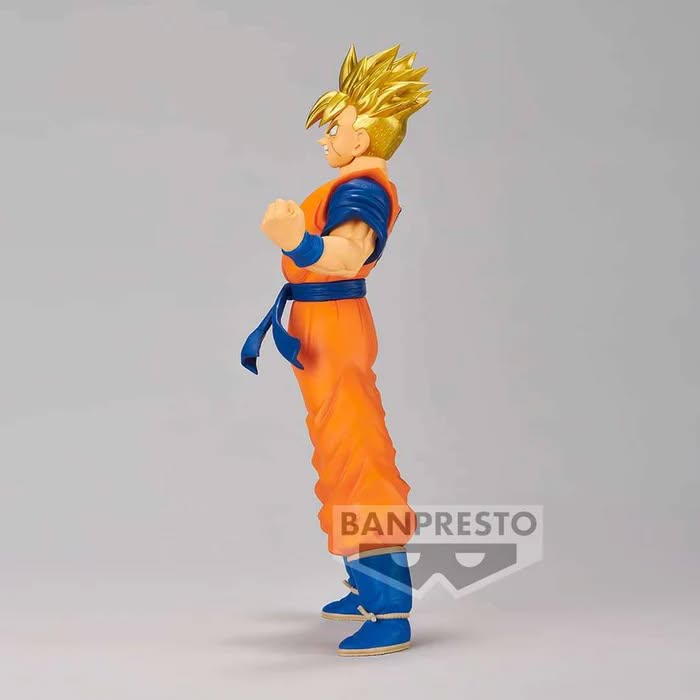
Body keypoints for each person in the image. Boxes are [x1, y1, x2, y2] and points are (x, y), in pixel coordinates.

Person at [241, 44, 430, 656]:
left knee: (357, 454)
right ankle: (361, 582)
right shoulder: (353, 183)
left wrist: (297, 241)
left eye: (334, 127)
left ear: (363, 135)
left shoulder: (363, 189)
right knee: (335, 450)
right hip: (320, 326)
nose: (326, 138)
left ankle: (390, 608)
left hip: (336, 324)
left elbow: (349, 254)